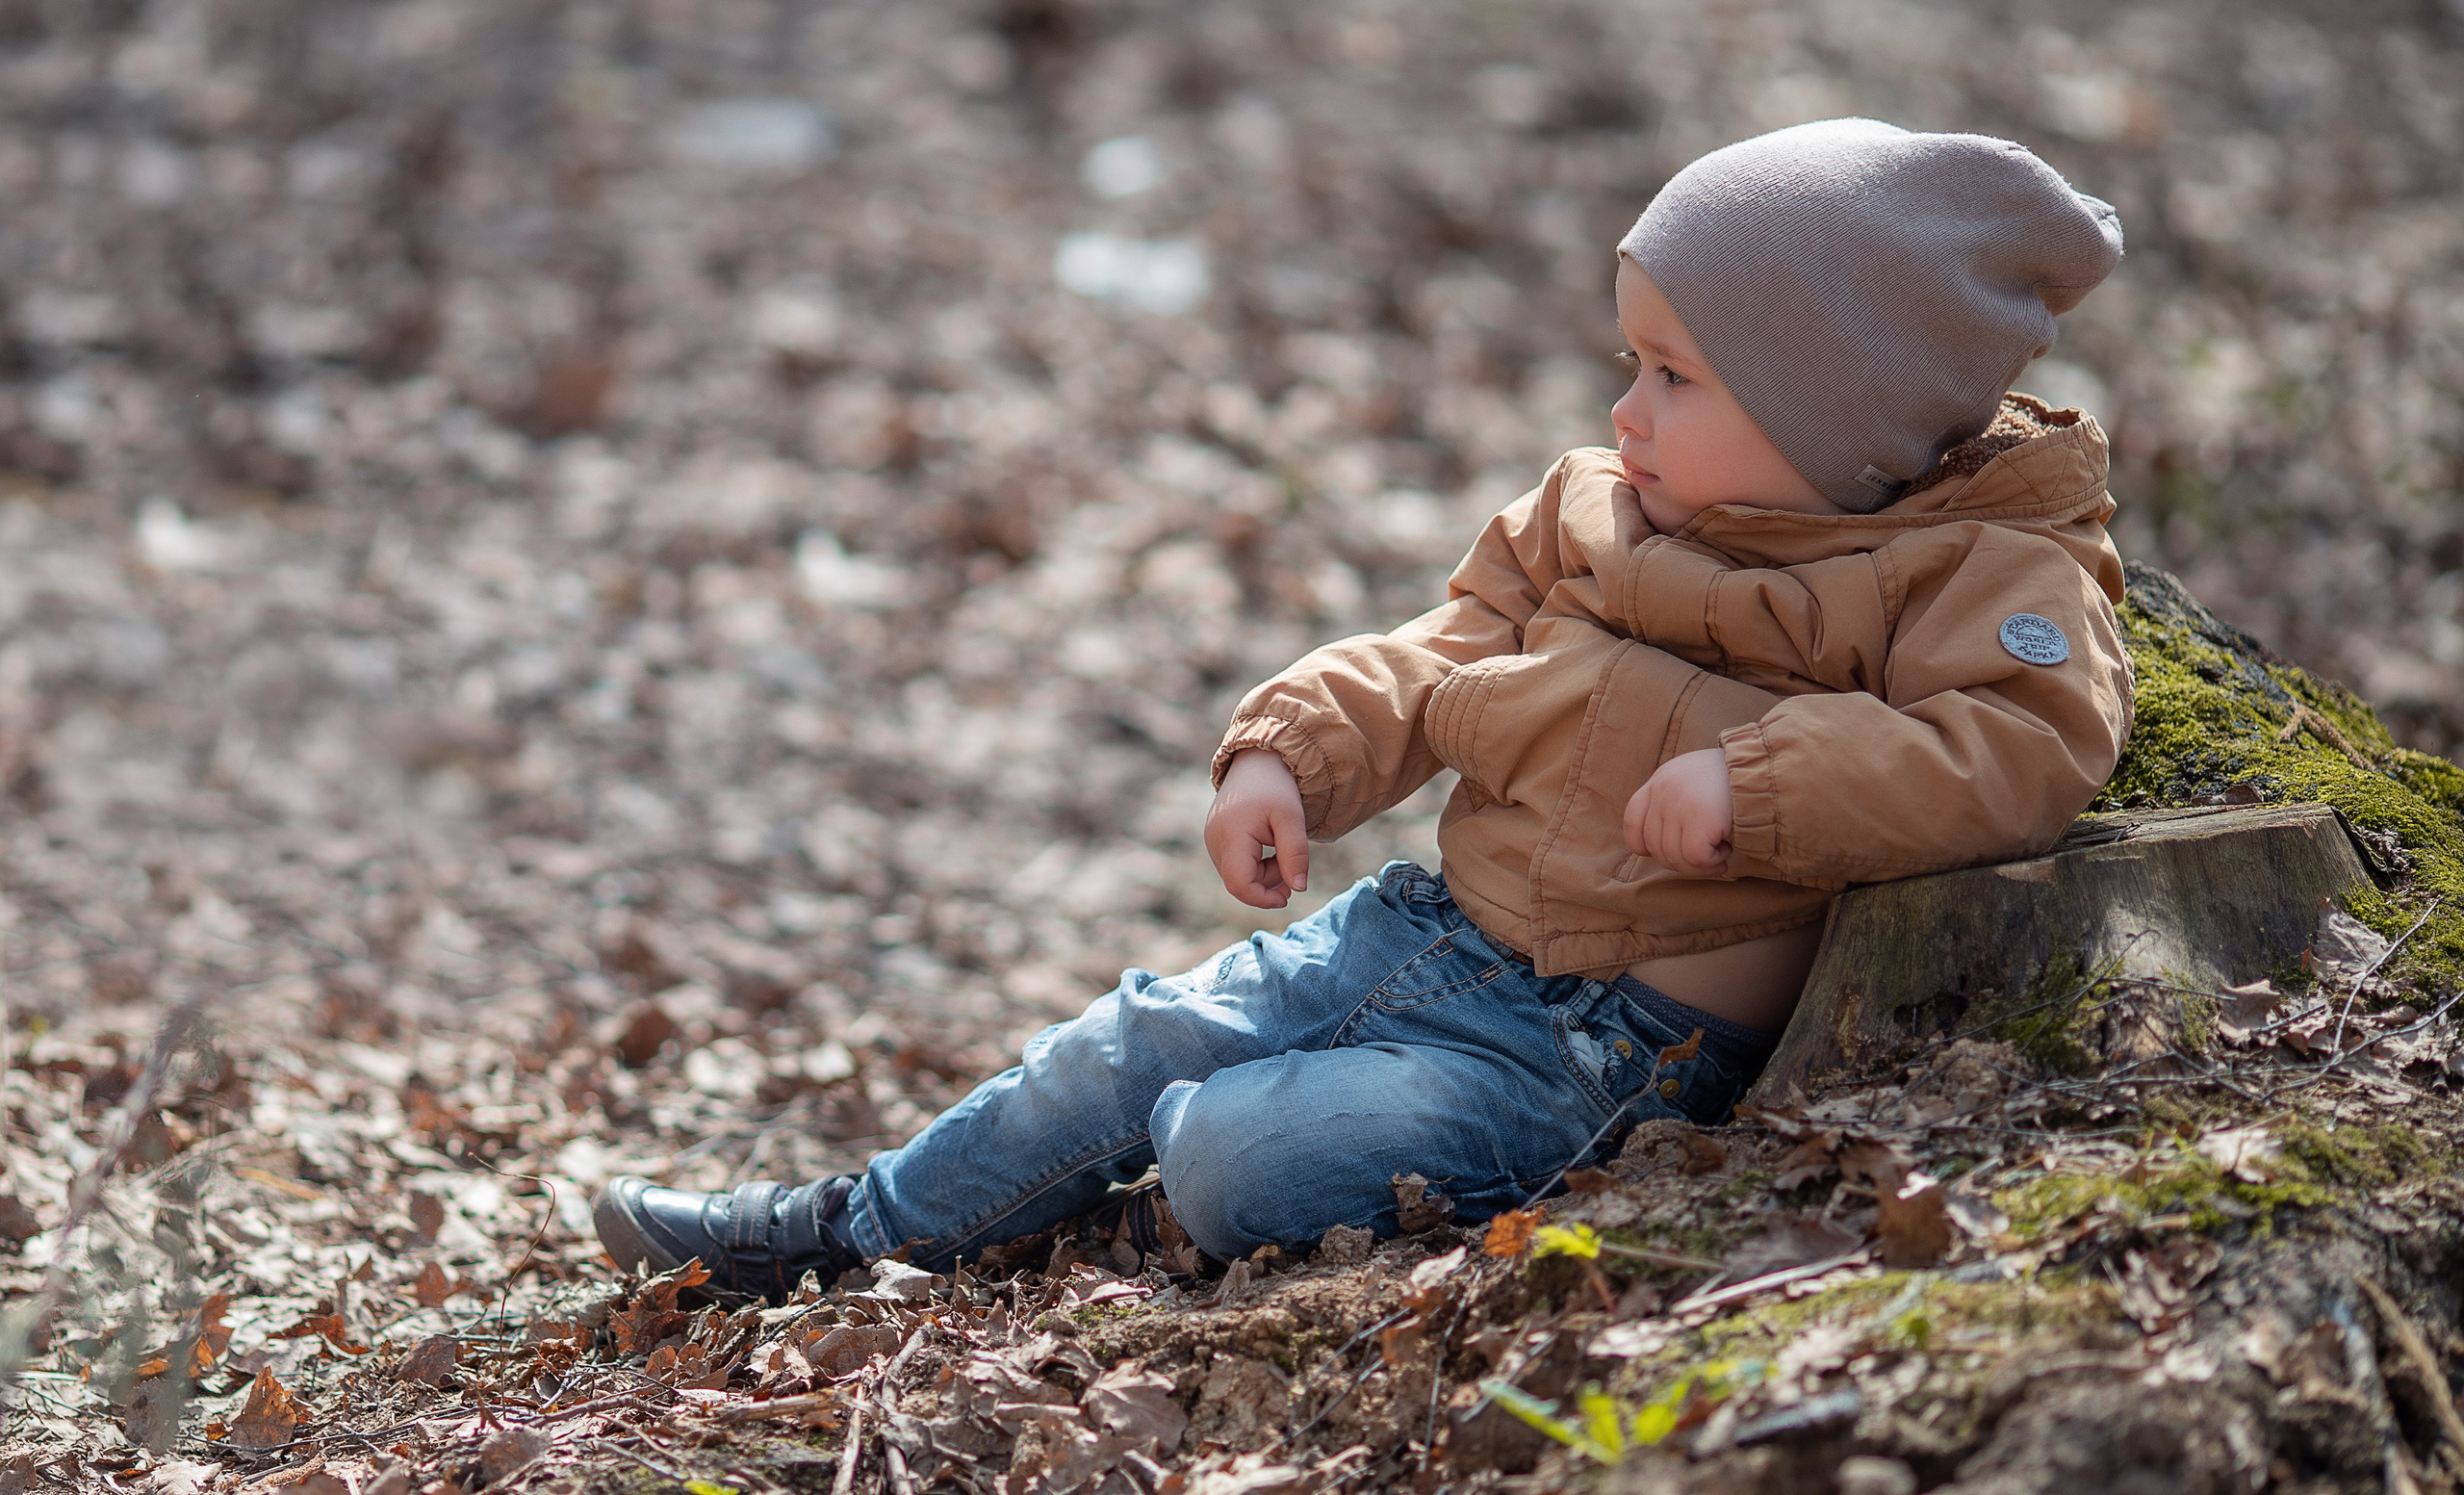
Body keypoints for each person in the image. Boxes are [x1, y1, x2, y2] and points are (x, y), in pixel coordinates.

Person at [595, 117, 2135, 1299]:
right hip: (1424, 931)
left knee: (1236, 1150)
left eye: (1674, 378)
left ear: (1834, 410)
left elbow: (2016, 747)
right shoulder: (1600, 513)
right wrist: (1290, 751)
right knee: (1125, 1044)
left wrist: (1768, 783)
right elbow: (1444, 644)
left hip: (1607, 1044)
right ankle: (842, 1230)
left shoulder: (1970, 569)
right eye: (1630, 363)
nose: (1624, 412)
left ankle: (1172, 1163)